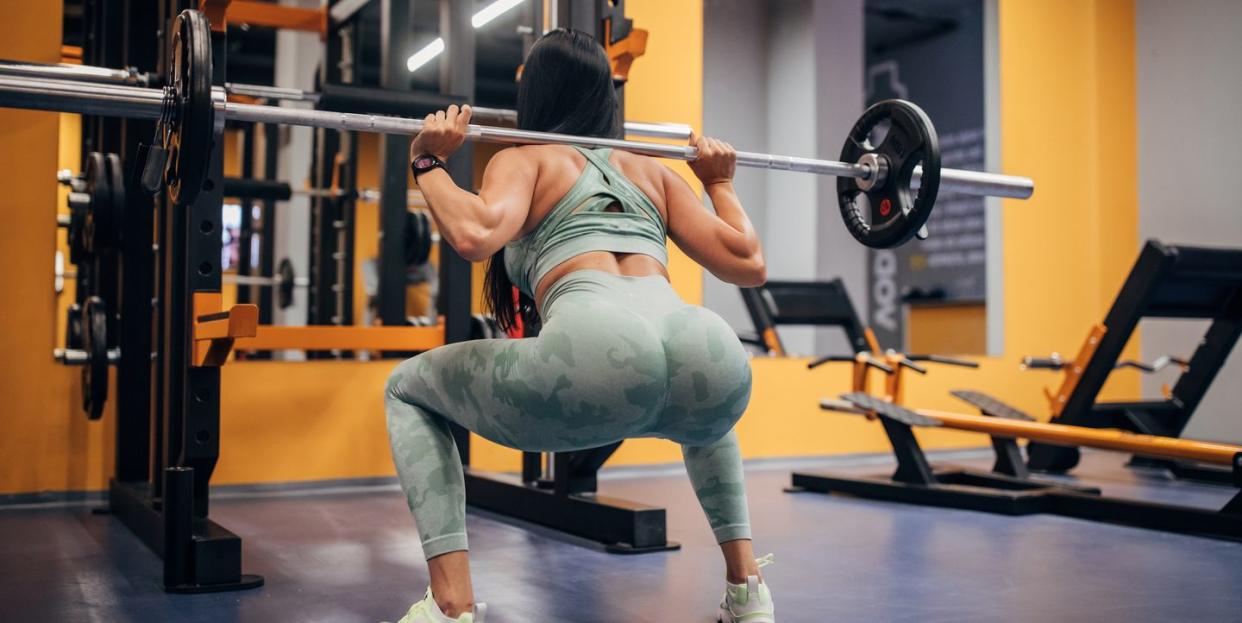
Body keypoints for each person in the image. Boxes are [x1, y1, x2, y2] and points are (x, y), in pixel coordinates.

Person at [385, 28, 774, 623]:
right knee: (703, 401)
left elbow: (474, 233)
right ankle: (747, 590)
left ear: (535, 95)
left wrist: (428, 160)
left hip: (598, 355)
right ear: (605, 97)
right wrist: (720, 183)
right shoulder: (653, 172)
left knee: (407, 388)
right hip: (704, 345)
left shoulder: (525, 158)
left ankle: (450, 605)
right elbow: (748, 263)